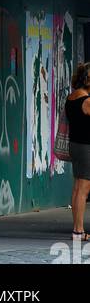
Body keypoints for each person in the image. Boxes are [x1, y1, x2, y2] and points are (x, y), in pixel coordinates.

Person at [66, 61, 90, 240]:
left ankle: (77, 228)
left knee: (77, 188)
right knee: (83, 189)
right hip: (86, 147)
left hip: (75, 145)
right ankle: (78, 230)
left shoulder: (72, 97)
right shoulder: (87, 100)